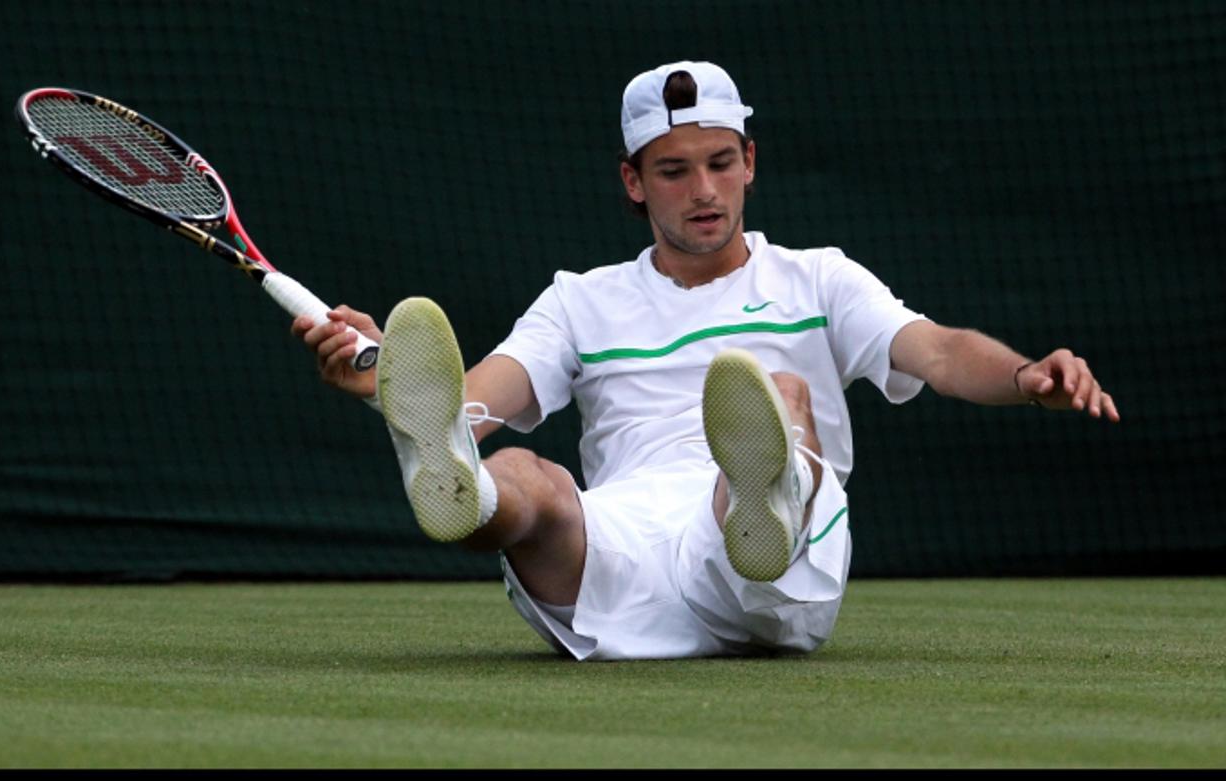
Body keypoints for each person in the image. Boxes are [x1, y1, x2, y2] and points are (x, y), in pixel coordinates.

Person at [291, 60, 1119, 661]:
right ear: (633, 182)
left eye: (722, 163)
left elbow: (937, 351)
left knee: (781, 395)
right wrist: (390, 384)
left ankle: (762, 498)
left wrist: (1023, 378)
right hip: (618, 556)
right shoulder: (581, 298)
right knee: (520, 475)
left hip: (769, 566)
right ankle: (460, 496)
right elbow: (474, 402)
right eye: (674, 171)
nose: (704, 191)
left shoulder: (818, 277)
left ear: (750, 164)